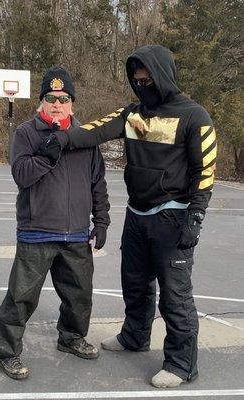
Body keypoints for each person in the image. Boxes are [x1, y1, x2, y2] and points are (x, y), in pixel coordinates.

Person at [55, 45, 217, 388]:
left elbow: (205, 170)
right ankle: (134, 336)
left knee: (175, 295)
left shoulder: (194, 116)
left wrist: (196, 216)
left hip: (173, 216)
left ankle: (181, 363)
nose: (142, 84)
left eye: (147, 78)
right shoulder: (132, 113)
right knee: (135, 283)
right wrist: (62, 139)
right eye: (136, 79)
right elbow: (95, 130)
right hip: (137, 213)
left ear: (163, 75)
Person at [0, 66, 110, 380]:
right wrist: (49, 152)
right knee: (21, 297)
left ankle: (70, 338)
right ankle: (6, 351)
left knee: (79, 295)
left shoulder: (85, 137)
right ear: (42, 101)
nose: (57, 104)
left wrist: (102, 221)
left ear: (72, 101)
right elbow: (22, 174)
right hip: (36, 232)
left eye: (64, 98)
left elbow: (97, 182)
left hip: (76, 234)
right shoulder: (26, 134)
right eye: (51, 98)